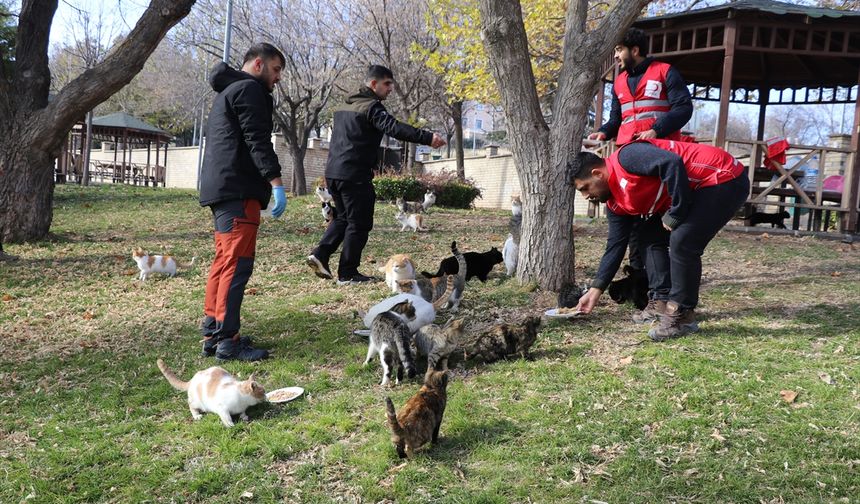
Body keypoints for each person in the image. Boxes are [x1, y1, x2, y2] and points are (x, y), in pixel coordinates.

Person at [569, 139, 750, 341]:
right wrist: (596, 290)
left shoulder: (627, 157)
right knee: (648, 236)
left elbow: (672, 163)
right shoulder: (615, 204)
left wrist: (677, 212)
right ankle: (661, 300)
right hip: (693, 192)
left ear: (597, 174)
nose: (585, 196)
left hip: (723, 176)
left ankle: (682, 315)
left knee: (683, 240)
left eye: (585, 188)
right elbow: (615, 246)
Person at [306, 65, 445, 285]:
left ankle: (320, 254)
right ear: (373, 84)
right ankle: (348, 273)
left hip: (334, 172)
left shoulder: (344, 106)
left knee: (343, 217)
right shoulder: (371, 107)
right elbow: (394, 128)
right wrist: (427, 138)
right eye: (387, 84)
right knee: (359, 223)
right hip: (354, 174)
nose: (391, 89)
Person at [198, 43, 287, 361]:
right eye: (276, 70)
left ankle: (213, 332)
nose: (277, 79)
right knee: (236, 264)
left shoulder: (229, 90)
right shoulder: (249, 90)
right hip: (238, 189)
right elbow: (257, 139)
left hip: (222, 188)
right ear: (260, 64)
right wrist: (276, 181)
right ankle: (227, 341)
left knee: (224, 261)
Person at [588, 28, 694, 276]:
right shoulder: (619, 82)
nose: (615, 56)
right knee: (630, 216)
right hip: (628, 160)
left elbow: (683, 108)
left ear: (634, 50)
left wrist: (656, 130)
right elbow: (617, 118)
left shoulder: (665, 72)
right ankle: (636, 273)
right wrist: (603, 132)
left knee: (658, 220)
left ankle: (660, 276)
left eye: (618, 50)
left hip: (659, 157)